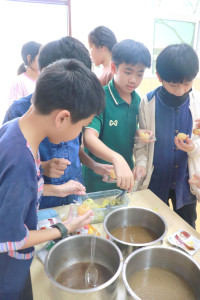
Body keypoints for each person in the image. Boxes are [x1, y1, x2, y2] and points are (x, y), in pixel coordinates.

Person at [0, 58, 105, 300]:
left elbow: (14, 193)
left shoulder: (15, 128)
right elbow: (12, 237)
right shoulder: (20, 162)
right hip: (8, 274)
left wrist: (57, 190)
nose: (78, 134)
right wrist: (64, 228)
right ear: (63, 118)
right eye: (81, 126)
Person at [3, 36, 112, 209]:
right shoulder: (19, 116)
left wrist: (94, 165)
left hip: (72, 194)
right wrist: (43, 167)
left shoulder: (77, 107)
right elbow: (13, 180)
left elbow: (76, 146)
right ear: (49, 71)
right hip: (41, 205)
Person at [134, 43, 200, 228]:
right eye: (173, 84)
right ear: (159, 77)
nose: (180, 90)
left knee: (187, 229)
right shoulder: (147, 102)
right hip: (155, 181)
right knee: (151, 228)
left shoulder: (197, 103)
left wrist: (193, 147)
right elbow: (142, 144)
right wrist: (140, 165)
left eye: (187, 84)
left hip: (186, 183)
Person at [83, 39, 151, 193]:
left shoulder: (137, 101)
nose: (133, 79)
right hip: (98, 180)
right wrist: (116, 158)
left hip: (125, 178)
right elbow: (89, 138)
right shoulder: (100, 97)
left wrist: (140, 162)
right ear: (114, 67)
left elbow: (135, 136)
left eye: (139, 74)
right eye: (128, 72)